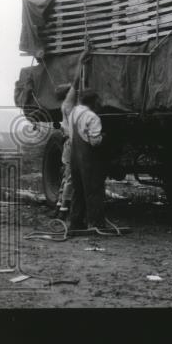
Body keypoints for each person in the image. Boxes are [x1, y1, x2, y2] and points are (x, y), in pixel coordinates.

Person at [64, 54, 112, 232]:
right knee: (94, 190)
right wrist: (105, 138)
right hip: (89, 159)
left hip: (75, 158)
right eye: (97, 101)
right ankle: (96, 224)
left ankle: (75, 223)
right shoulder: (93, 117)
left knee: (78, 191)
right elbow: (95, 142)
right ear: (93, 102)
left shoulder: (74, 112)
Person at [53, 83, 77, 220]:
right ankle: (64, 209)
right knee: (70, 177)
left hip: (68, 142)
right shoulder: (68, 106)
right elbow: (74, 87)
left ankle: (58, 205)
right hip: (71, 143)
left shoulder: (65, 108)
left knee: (66, 176)